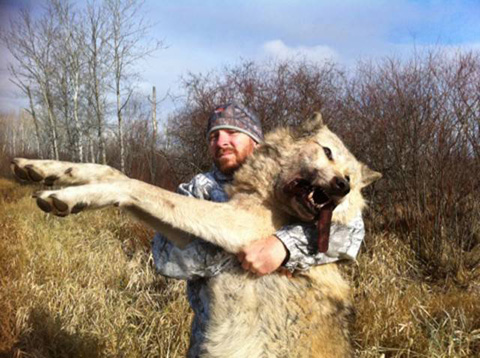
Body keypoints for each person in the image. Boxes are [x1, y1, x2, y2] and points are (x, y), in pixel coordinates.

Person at [152, 102, 365, 358]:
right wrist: (241, 244)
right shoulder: (198, 190)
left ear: (254, 139)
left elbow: (350, 232)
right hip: (220, 336)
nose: (221, 142)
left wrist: (282, 246)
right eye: (214, 136)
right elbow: (166, 258)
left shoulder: (294, 177)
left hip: (290, 336)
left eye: (232, 133)